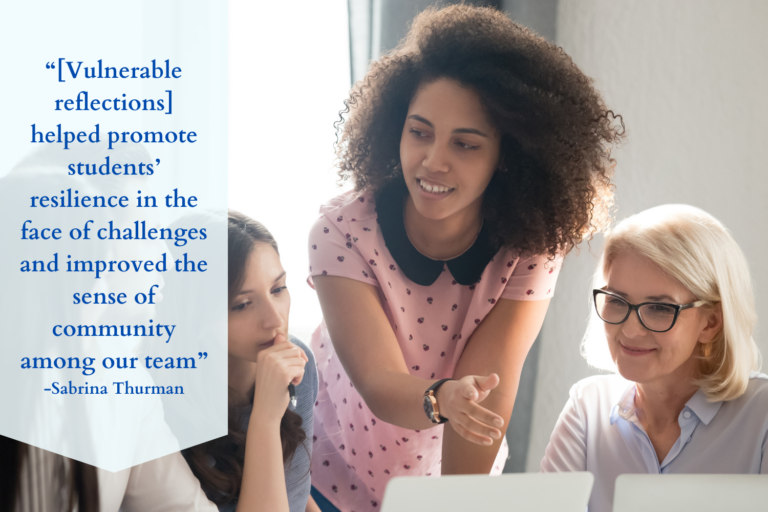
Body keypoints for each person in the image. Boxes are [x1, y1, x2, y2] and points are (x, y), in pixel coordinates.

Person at [307, 5, 623, 512]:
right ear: (396, 126)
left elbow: (486, 396)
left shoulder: (530, 248)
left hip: (440, 479)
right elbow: (379, 383)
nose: (434, 160)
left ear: (507, 157)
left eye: (466, 143)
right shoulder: (341, 230)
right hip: (328, 469)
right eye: (419, 131)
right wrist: (441, 398)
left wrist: (456, 503)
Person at [540, 205, 767, 512]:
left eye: (660, 308)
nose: (630, 330)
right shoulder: (587, 408)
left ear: (711, 323)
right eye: (617, 301)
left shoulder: (760, 417)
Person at [183, 211, 321, 512]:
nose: (275, 319)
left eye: (278, 289)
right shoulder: (166, 407)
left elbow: (296, 485)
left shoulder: (299, 360)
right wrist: (266, 419)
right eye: (242, 304)